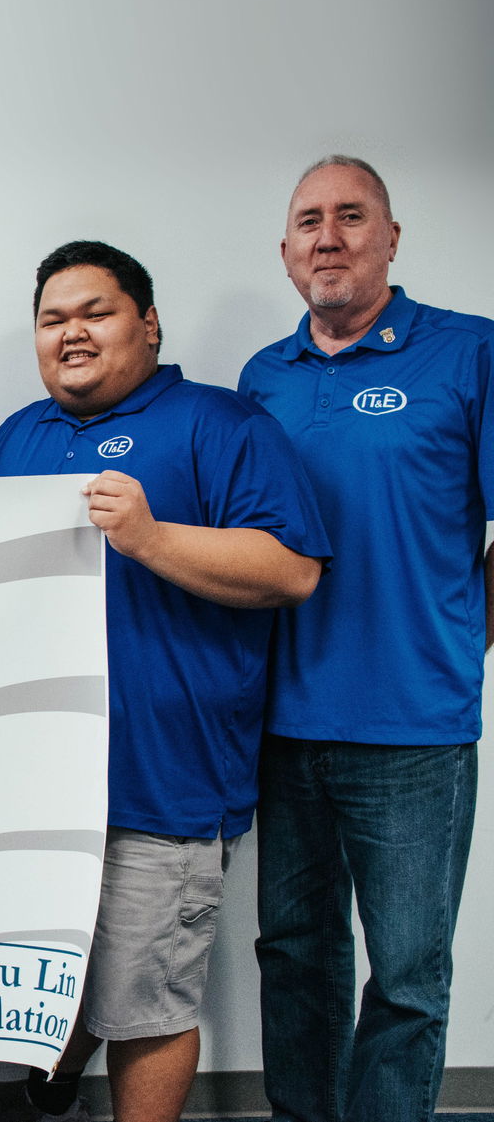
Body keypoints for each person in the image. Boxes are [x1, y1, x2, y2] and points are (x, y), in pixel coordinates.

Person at [0, 241, 327, 1122]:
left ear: (149, 324)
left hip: (163, 781)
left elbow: (292, 569)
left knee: (147, 1002)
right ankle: (56, 1081)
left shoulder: (221, 423)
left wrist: (150, 536)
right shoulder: (17, 437)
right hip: (35, 788)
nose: (72, 333)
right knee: (48, 978)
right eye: (53, 319)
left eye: (95, 312)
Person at [238, 155, 493, 1122]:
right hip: (284, 724)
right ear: (286, 251)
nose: (329, 237)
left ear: (392, 238)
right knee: (295, 955)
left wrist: (460, 640)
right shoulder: (264, 377)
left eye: (351, 216)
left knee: (408, 976)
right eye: (309, 221)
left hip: (415, 731)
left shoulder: (469, 353)